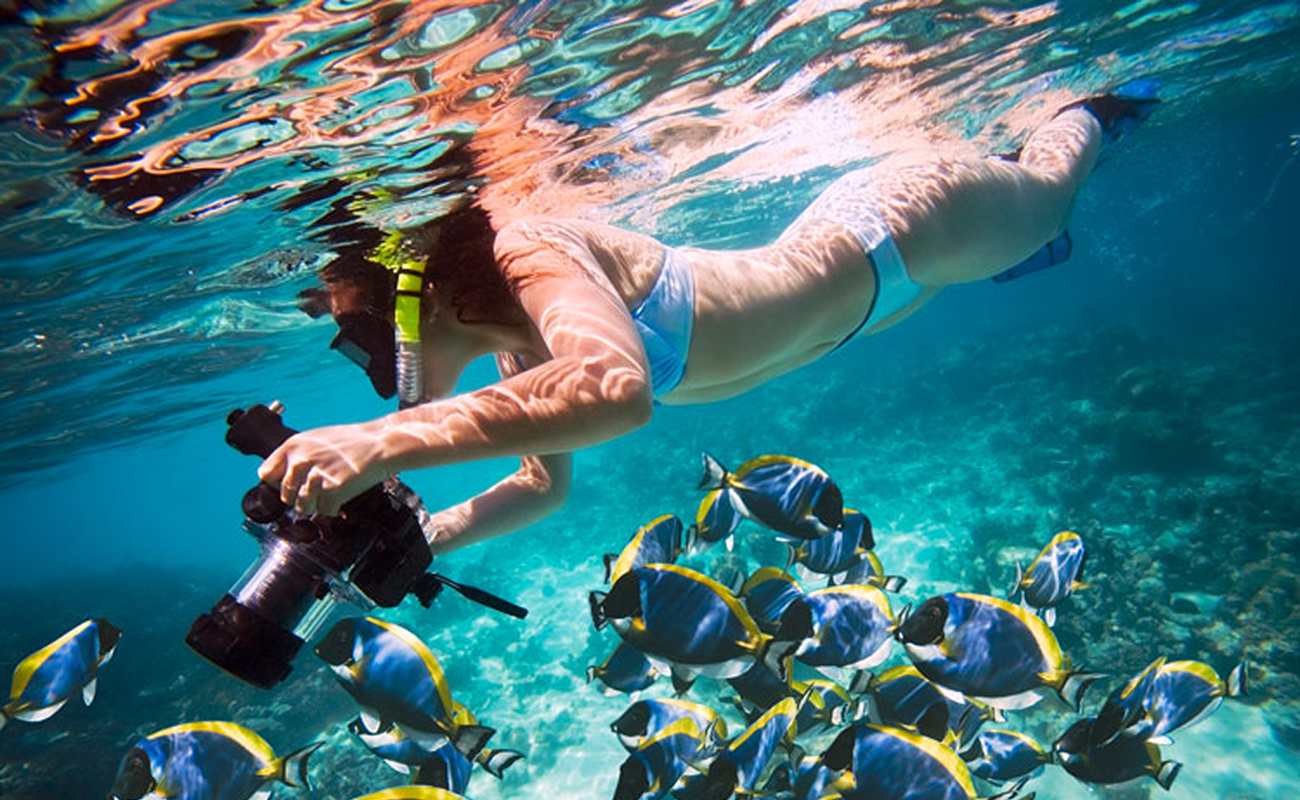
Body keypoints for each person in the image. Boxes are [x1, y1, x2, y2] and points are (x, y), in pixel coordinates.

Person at [257, 84, 1157, 554]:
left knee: (1050, 191)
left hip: (903, 231)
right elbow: (543, 484)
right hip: (876, 308)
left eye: (357, 333)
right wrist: (429, 532)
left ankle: (1093, 112)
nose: (367, 361)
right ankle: (1016, 248)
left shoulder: (530, 248)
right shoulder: (520, 364)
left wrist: (383, 444)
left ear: (413, 292)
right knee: (1000, 255)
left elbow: (617, 390)